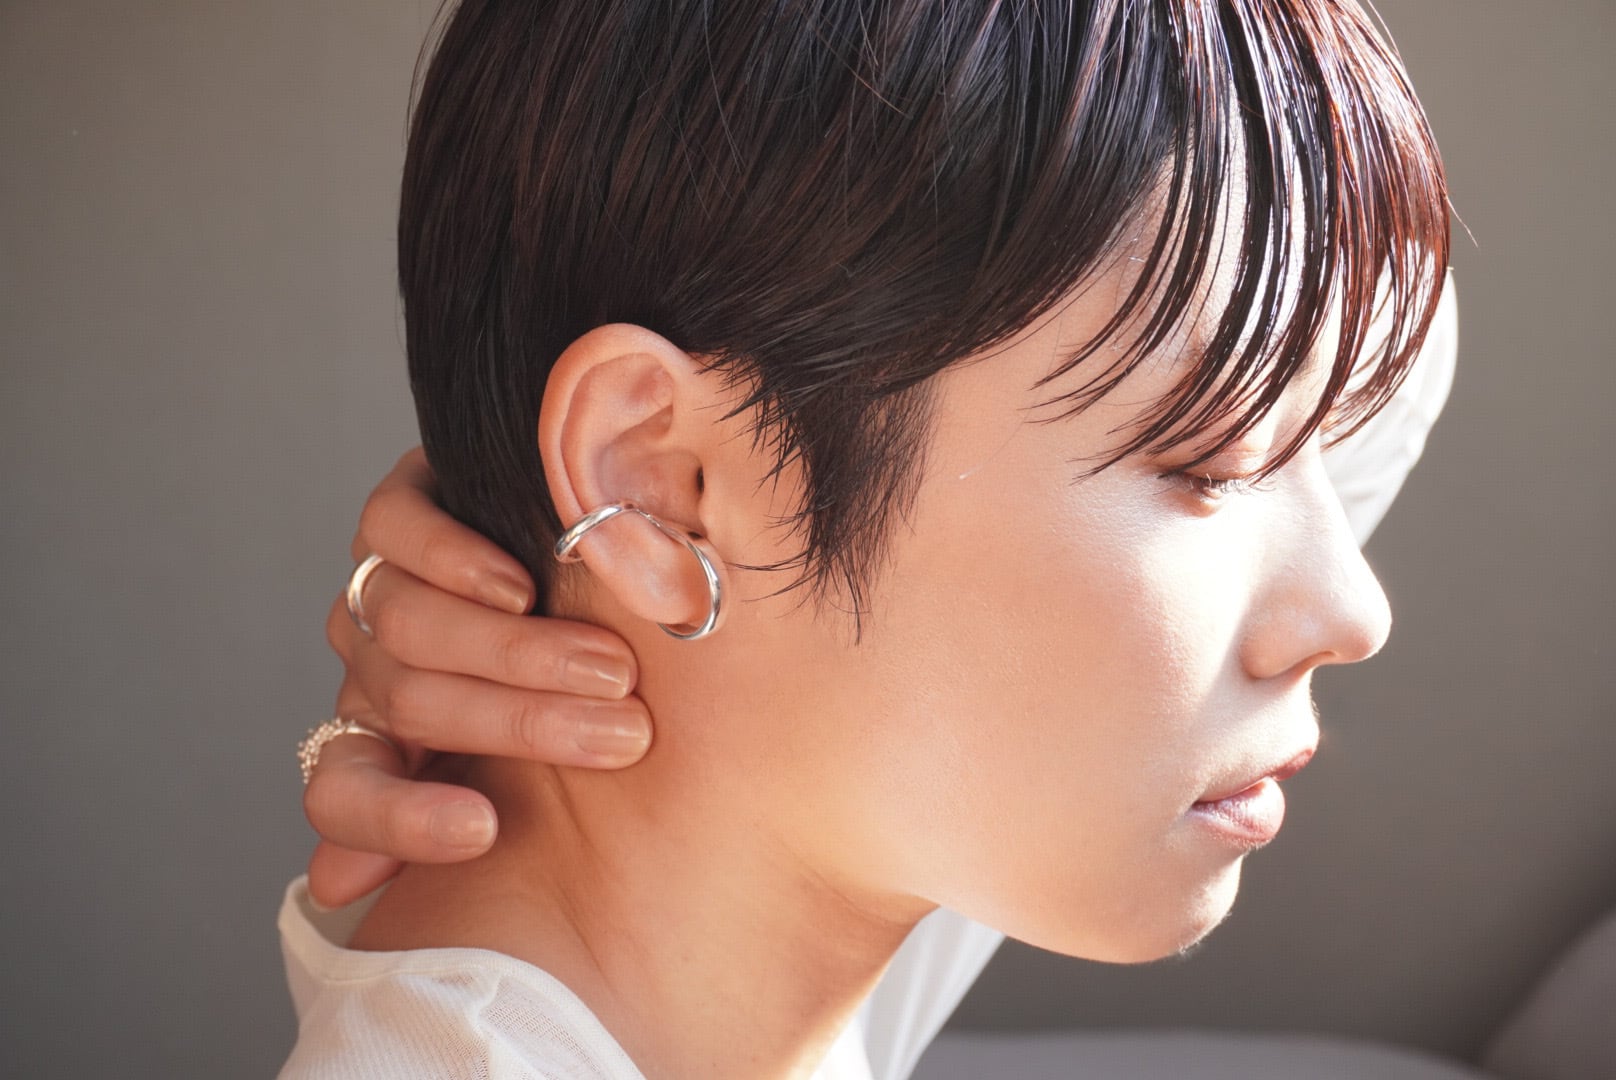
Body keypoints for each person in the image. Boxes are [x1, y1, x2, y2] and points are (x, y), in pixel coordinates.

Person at [280, 1, 1454, 1077]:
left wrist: (519, 486)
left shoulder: (825, 879)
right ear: (665, 484)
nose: (1351, 611)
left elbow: (1399, 308)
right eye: (1212, 461)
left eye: (1316, 429)